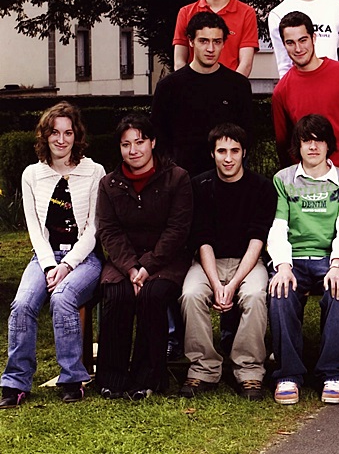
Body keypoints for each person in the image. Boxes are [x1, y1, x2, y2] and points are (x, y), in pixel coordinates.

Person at [0, 102, 104, 408]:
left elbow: (94, 229)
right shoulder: (32, 174)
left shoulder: (94, 171)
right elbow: (34, 229)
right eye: (55, 133)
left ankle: (72, 378)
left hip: (84, 259)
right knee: (22, 304)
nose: (61, 139)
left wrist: (67, 265)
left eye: (68, 133)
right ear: (45, 136)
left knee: (62, 297)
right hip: (45, 258)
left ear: (76, 135)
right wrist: (49, 266)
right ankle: (16, 382)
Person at [95, 113, 192, 400]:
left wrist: (147, 266)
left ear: (153, 143)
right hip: (124, 261)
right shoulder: (109, 184)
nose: (133, 150)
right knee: (117, 294)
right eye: (126, 144)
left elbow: (177, 229)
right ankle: (112, 378)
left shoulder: (177, 177)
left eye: (139, 142)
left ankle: (148, 378)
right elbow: (109, 231)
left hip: (166, 259)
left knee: (152, 295)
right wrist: (131, 267)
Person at [179, 123, 275, 401]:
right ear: (212, 154)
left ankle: (249, 370)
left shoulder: (261, 187)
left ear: (244, 152)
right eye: (222, 151)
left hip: (248, 261)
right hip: (208, 261)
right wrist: (215, 283)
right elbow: (202, 239)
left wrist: (232, 285)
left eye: (235, 150)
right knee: (191, 294)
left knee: (255, 294)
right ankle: (204, 368)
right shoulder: (199, 186)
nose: (228, 158)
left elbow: (257, 240)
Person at [267, 115, 339, 405]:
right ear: (298, 145)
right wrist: (282, 266)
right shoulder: (283, 179)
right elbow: (278, 227)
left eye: (320, 140)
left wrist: (338, 264)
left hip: (329, 258)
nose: (313, 147)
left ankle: (335, 373)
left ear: (329, 144)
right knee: (280, 292)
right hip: (293, 258)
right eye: (307, 141)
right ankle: (288, 374)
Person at [272, 11, 339, 173]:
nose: (298, 48)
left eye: (303, 40)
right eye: (290, 43)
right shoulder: (281, 91)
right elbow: (283, 146)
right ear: (284, 45)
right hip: (308, 181)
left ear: (313, 38)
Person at [153, 11, 253, 178]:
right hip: (181, 180)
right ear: (191, 41)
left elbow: (246, 137)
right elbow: (158, 139)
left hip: (225, 180)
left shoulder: (238, 85)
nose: (210, 49)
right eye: (203, 41)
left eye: (217, 41)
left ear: (224, 43)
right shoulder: (168, 86)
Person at [172, 0, 259, 76]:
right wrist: (188, 85)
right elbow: (179, 61)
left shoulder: (246, 13)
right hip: (193, 86)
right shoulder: (186, 13)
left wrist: (232, 86)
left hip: (230, 86)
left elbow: (245, 64)